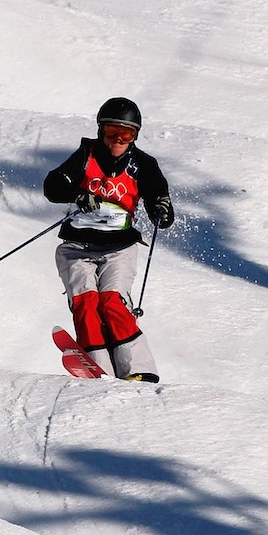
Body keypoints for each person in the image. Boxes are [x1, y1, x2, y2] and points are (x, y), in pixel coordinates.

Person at [43, 97, 174, 382]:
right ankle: (98, 364)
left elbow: (159, 201)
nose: (117, 140)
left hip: (119, 248)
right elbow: (52, 187)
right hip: (77, 248)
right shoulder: (85, 156)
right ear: (101, 131)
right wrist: (76, 194)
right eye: (111, 132)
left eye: (125, 134)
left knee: (112, 301)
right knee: (86, 301)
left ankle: (139, 369)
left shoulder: (144, 165)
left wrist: (160, 210)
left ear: (135, 136)